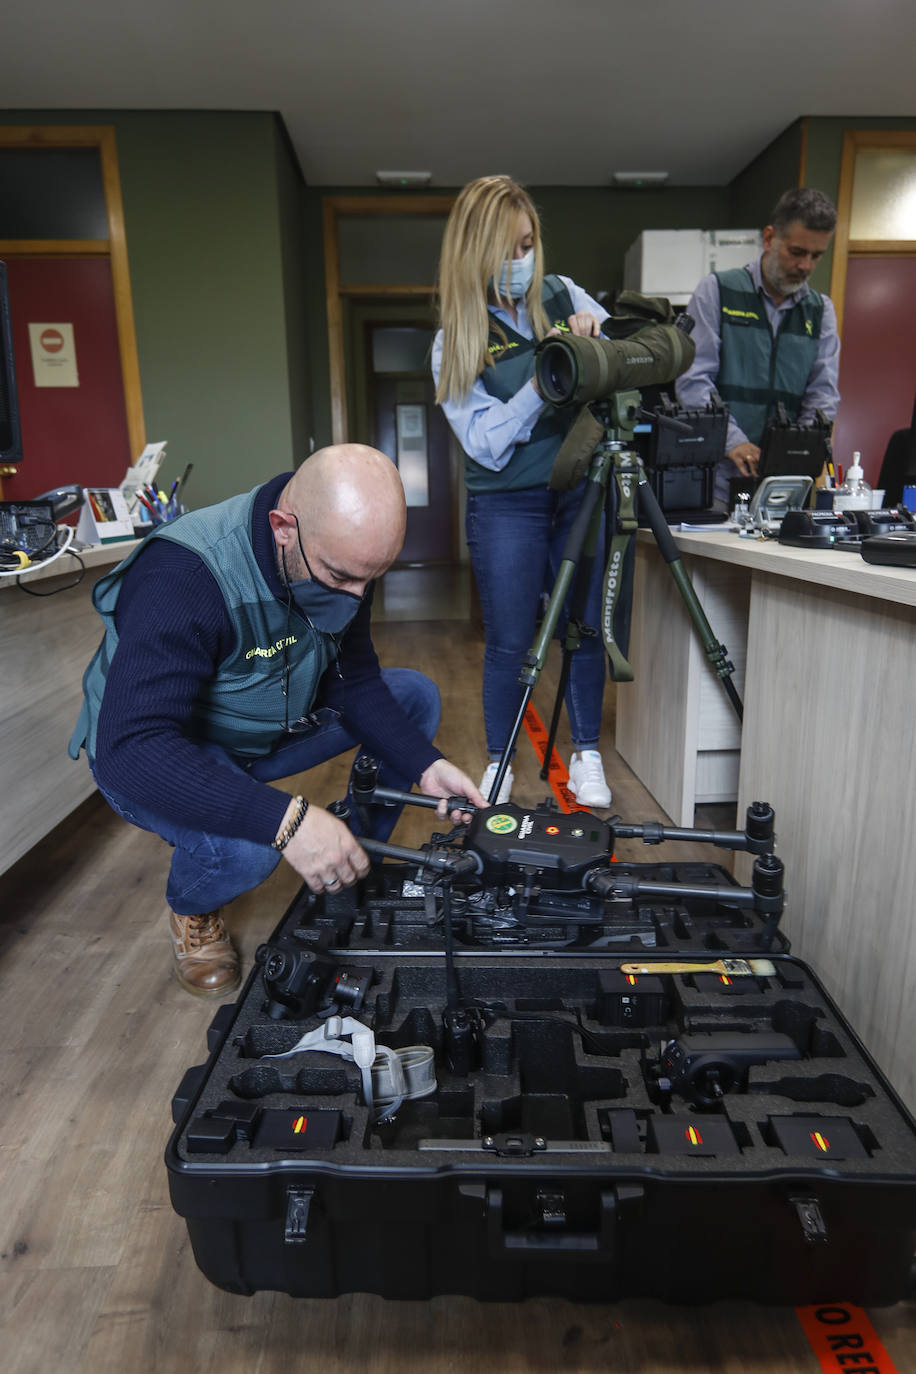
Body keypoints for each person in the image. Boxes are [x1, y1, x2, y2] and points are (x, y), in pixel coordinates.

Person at [69, 445, 486, 997]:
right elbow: (133, 746)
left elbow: (353, 678)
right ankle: (193, 910)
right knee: (249, 848)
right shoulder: (183, 574)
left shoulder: (342, 553)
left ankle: (343, 860)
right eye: (341, 577)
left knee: (412, 696)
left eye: (372, 579)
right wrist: (287, 821)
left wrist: (426, 765)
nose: (358, 597)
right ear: (283, 528)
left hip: (267, 723)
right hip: (162, 752)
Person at [432, 173, 613, 809]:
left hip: (580, 491)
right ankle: (501, 761)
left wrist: (595, 337)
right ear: (476, 252)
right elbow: (484, 444)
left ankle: (587, 752)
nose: (522, 261)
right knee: (510, 640)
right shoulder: (456, 339)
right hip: (506, 504)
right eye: (507, 250)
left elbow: (622, 365)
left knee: (583, 628)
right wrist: (544, 382)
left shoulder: (564, 295)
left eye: (529, 243)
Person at [675, 187, 841, 508]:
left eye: (816, 256)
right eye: (797, 252)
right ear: (769, 239)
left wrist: (796, 453)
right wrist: (733, 442)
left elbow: (823, 394)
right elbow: (693, 380)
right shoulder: (717, 291)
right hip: (716, 480)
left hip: (784, 486)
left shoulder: (821, 311)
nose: (806, 265)